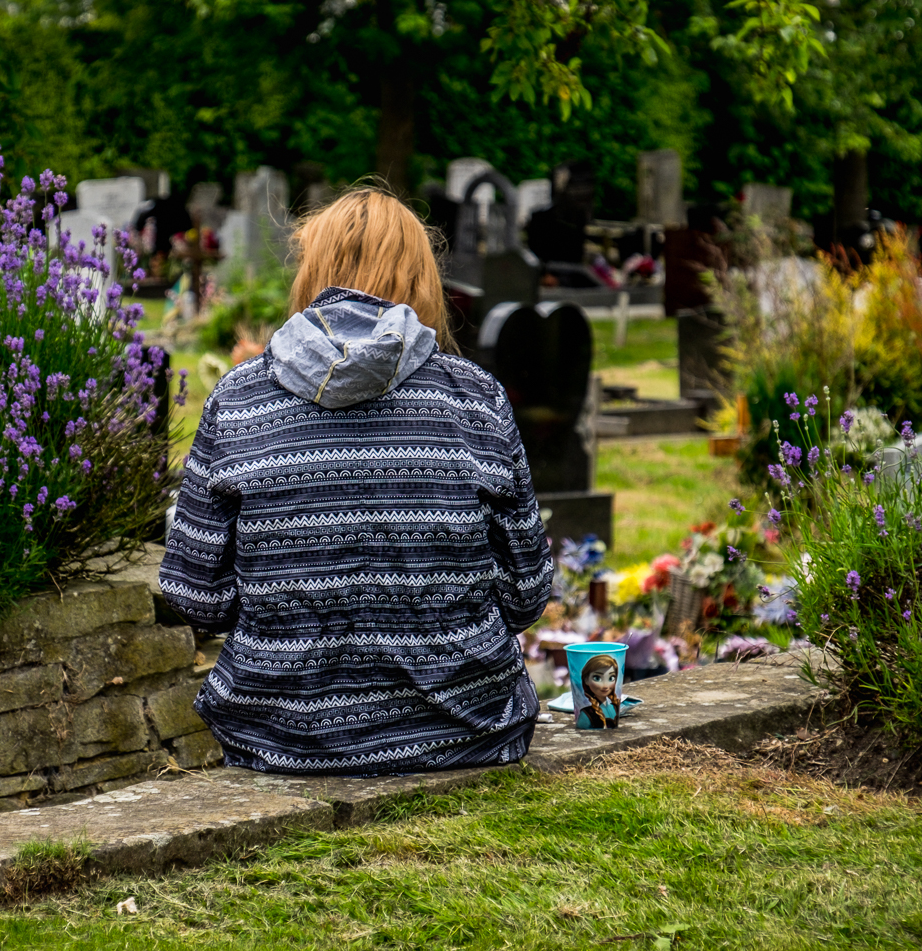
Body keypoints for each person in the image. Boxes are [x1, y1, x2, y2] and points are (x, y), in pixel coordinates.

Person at [160, 188, 553, 775]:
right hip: (463, 733)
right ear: (421, 279)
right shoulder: (475, 399)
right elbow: (526, 595)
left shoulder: (237, 401)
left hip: (283, 736)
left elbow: (197, 597)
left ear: (313, 271)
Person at [574, 654, 621, 730]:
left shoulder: (615, 707)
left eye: (611, 678)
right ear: (586, 680)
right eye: (597, 678)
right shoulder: (587, 714)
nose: (605, 685)